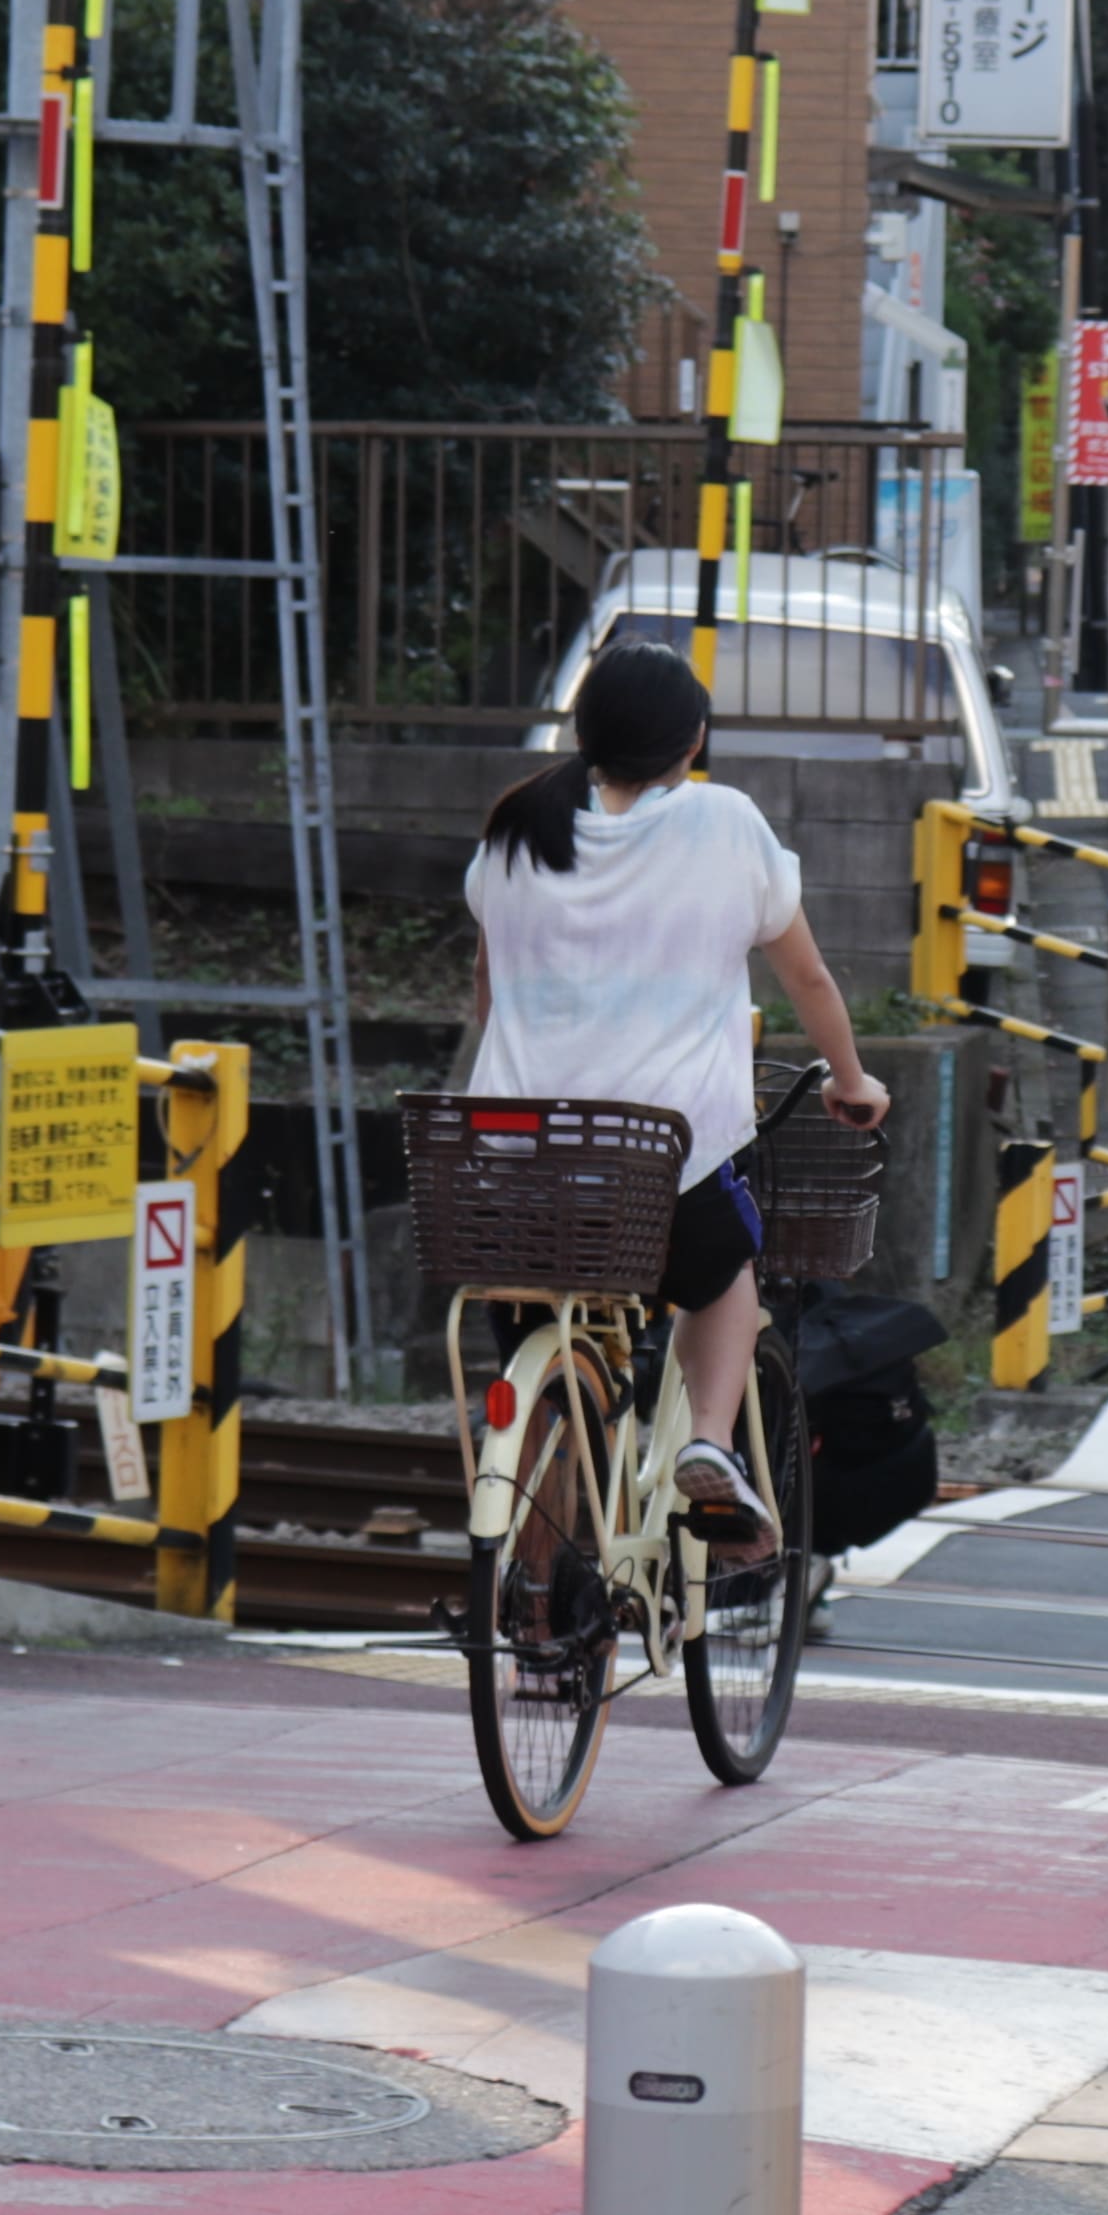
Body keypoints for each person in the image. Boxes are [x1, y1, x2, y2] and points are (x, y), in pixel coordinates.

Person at [463, 637, 889, 1549]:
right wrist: (850, 1081)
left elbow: (490, 982)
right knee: (725, 1270)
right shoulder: (725, 823)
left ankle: (535, 1606)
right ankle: (710, 1445)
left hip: (510, 1174)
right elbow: (808, 980)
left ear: (587, 732)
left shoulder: (517, 825)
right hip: (663, 1167)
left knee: (547, 1391)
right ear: (692, 738)